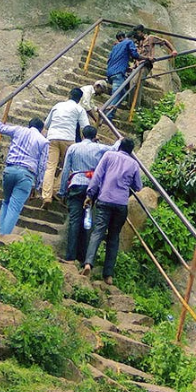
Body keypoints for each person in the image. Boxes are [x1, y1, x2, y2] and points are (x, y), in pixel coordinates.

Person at [82, 138, 143, 283]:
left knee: (98, 232)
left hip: (104, 200)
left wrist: (90, 195)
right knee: (114, 237)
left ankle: (88, 263)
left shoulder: (109, 155)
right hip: (121, 204)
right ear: (131, 151)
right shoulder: (134, 164)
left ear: (119, 146)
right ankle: (108, 275)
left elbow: (97, 177)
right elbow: (138, 186)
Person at [0, 110, 49, 236]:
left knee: (6, 201)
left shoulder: (18, 130)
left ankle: (0, 230)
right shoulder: (44, 141)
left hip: (10, 170)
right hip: (27, 175)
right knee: (15, 206)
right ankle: (4, 236)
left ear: (29, 125)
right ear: (41, 129)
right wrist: (37, 186)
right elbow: (42, 166)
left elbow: (0, 127)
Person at [59, 126, 114, 264]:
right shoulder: (100, 148)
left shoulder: (73, 148)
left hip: (76, 184)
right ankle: (83, 257)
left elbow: (65, 170)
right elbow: (115, 148)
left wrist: (62, 190)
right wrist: (120, 140)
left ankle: (70, 256)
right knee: (88, 219)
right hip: (93, 187)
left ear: (82, 135)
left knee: (74, 220)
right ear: (95, 136)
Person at [41, 88, 90, 206]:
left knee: (50, 167)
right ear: (80, 99)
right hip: (68, 139)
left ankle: (46, 195)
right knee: (69, 167)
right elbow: (86, 127)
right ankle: (56, 189)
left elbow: (46, 124)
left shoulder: (57, 105)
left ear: (69, 95)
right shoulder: (79, 109)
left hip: (52, 137)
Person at [104, 31, 140, 115]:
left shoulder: (115, 47)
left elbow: (111, 60)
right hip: (118, 74)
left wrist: (125, 68)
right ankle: (107, 115)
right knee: (117, 94)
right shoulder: (129, 42)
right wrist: (146, 58)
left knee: (123, 94)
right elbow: (135, 55)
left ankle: (109, 111)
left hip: (110, 73)